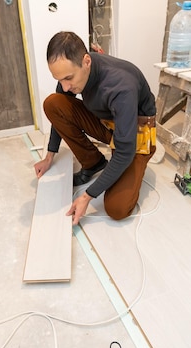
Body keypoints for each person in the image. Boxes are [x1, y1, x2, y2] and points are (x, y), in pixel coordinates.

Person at [34, 31, 157, 225]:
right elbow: (61, 104)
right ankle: (94, 163)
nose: (65, 86)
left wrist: (87, 196)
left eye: (68, 78)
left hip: (136, 134)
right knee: (54, 103)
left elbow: (124, 152)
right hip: (107, 124)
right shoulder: (73, 76)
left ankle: (137, 167)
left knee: (117, 209)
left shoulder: (120, 86)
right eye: (59, 80)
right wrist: (49, 156)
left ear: (86, 61)